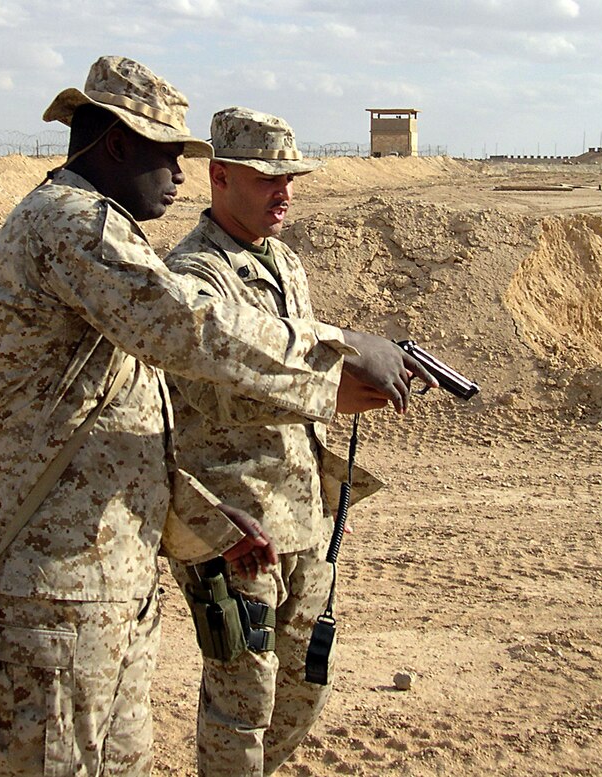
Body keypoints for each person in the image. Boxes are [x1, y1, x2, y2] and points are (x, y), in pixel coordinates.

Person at [0, 59, 432, 776]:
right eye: (169, 155)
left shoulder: (104, 233)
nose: (182, 175)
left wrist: (203, 527)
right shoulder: (70, 225)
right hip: (55, 593)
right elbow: (190, 327)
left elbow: (127, 421)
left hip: (105, 581)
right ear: (117, 145)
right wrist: (341, 351)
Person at [164, 107, 391, 776]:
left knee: (304, 683)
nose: (283, 192)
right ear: (220, 177)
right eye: (267, 178)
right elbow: (221, 379)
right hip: (236, 524)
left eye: (290, 177)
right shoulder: (194, 275)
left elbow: (302, 359)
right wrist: (336, 380)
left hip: (301, 514)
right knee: (242, 699)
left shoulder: (285, 263)